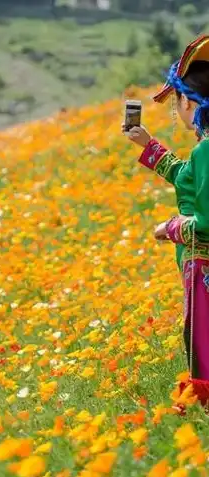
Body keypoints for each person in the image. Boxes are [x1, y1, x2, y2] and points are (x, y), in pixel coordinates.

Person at [123, 35, 209, 385]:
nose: (177, 111)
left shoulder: (206, 151)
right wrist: (148, 145)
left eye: (177, 104)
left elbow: (205, 222)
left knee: (204, 351)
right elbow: (188, 178)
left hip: (204, 268)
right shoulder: (203, 150)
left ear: (189, 102)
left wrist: (170, 228)